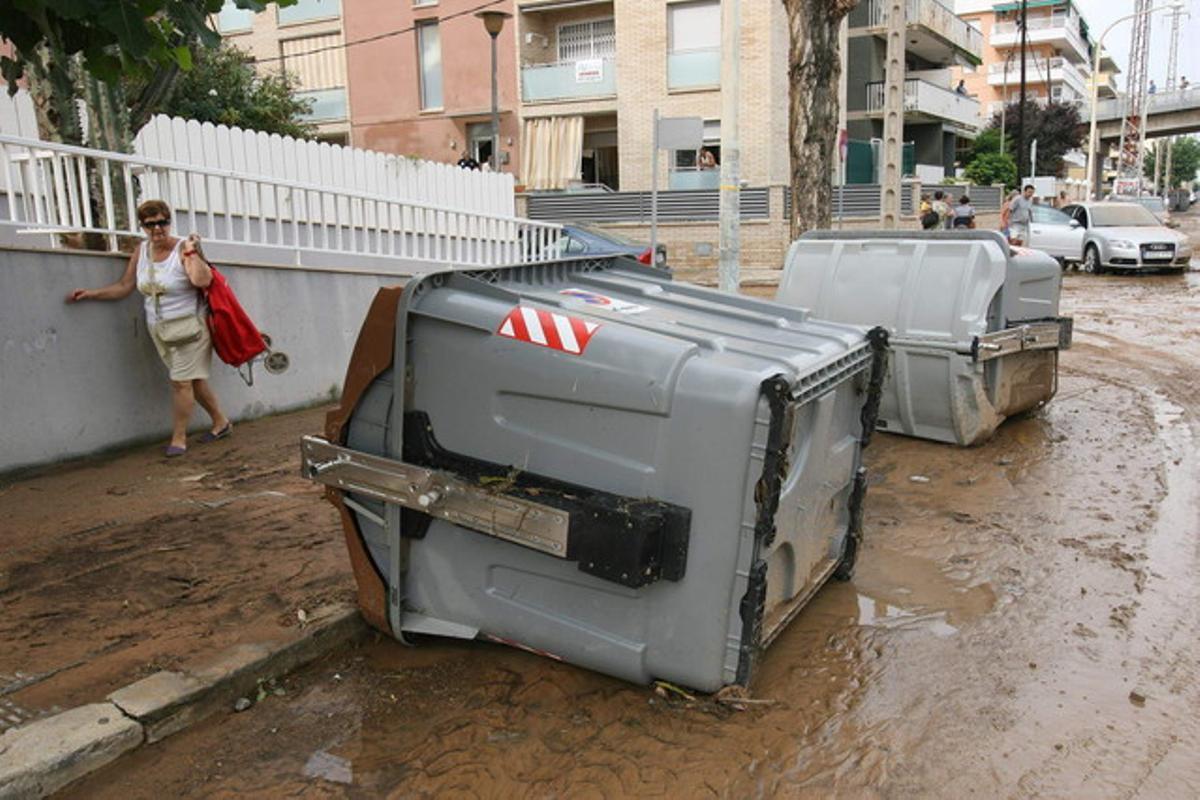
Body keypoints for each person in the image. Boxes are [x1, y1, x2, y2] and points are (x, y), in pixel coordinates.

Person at [66, 200, 231, 457]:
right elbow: (125, 286)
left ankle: (178, 438)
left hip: (190, 328)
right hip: (159, 328)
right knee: (193, 380)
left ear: (169, 221)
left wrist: (193, 252)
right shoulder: (141, 251)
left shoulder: (182, 249)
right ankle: (221, 422)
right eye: (150, 224)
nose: (158, 229)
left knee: (180, 383)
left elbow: (202, 280)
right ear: (142, 226)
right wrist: (91, 293)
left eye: (162, 222)